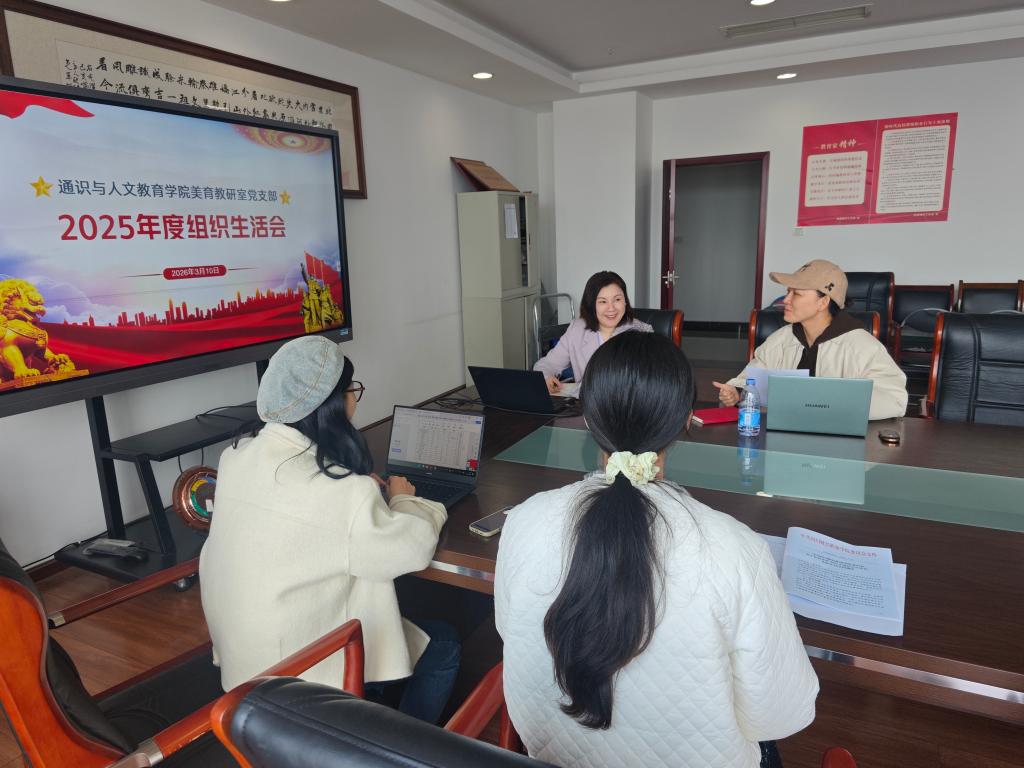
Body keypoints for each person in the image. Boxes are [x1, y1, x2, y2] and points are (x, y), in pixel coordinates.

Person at [496, 332, 818, 768]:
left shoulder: (523, 521)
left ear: (588, 418)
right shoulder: (736, 549)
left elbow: (511, 634)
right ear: (686, 420)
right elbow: (779, 714)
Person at [199, 336, 459, 723]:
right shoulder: (342, 492)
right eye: (352, 391)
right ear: (334, 404)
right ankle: (397, 745)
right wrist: (403, 500)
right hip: (305, 673)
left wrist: (357, 489)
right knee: (444, 644)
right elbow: (412, 549)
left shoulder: (235, 458)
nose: (355, 400)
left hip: (244, 661)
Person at [713, 260, 907, 420]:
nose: (785, 300)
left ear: (823, 301)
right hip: (783, 436)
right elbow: (750, 379)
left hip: (837, 442)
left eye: (796, 294)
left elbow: (894, 399)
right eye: (788, 292)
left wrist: (830, 403)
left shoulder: (861, 346)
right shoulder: (781, 339)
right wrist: (737, 392)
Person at [533, 270, 653, 393]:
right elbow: (546, 365)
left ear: (625, 302)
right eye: (603, 301)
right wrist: (546, 378)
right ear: (591, 305)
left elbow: (652, 380)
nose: (611, 308)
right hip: (586, 403)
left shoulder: (642, 332)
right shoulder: (577, 330)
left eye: (617, 299)